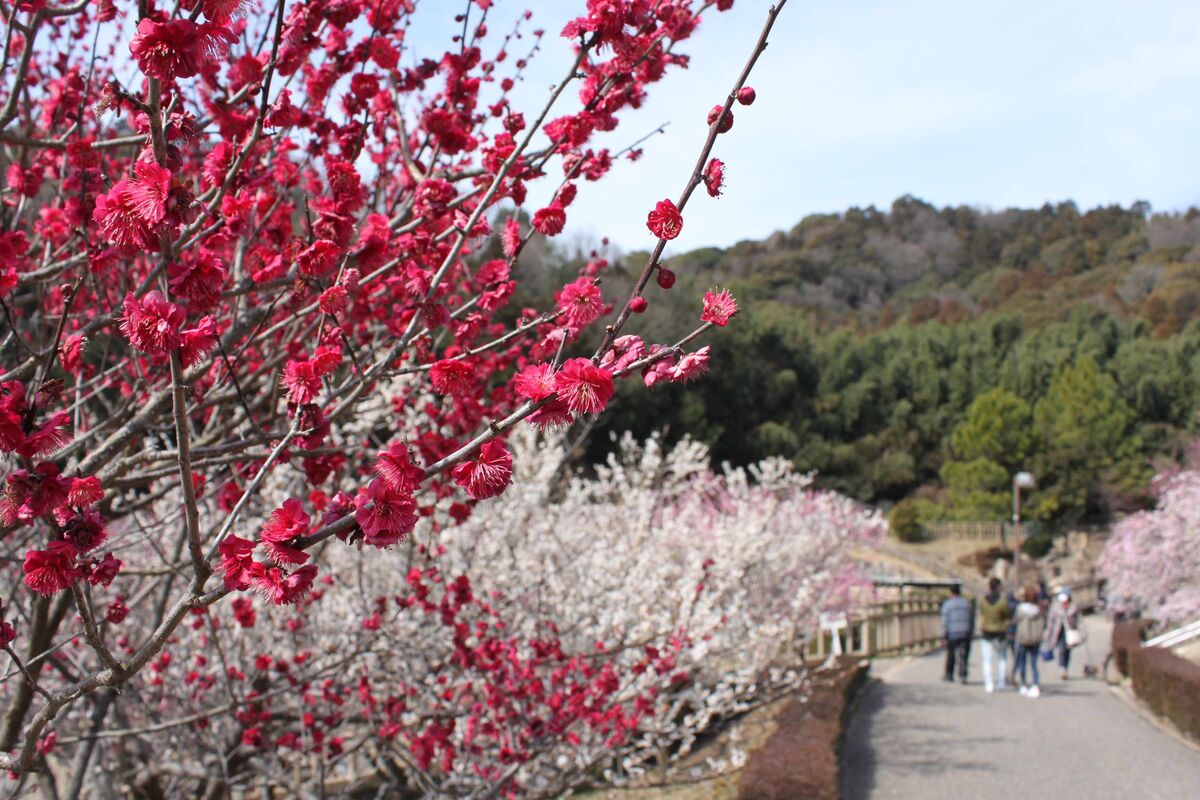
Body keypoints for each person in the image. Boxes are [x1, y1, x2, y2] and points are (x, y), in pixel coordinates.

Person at [978, 577, 1011, 692]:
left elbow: (981, 613)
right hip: (1000, 633)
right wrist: (1005, 626)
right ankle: (1001, 682)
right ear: (998, 587)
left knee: (987, 659)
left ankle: (989, 683)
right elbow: (1007, 616)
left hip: (986, 632)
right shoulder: (1002, 601)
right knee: (1002, 658)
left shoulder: (983, 600)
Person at [1043, 588, 1083, 680]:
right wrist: (1048, 632)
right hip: (1058, 632)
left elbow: (1079, 620)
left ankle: (1065, 668)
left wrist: (1081, 631)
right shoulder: (1056, 607)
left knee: (1068, 651)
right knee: (1062, 649)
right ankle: (1063, 669)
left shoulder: (1073, 607)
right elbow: (1051, 620)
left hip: (1070, 632)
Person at [1013, 587, 1045, 697]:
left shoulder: (1020, 609)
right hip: (1035, 639)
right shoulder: (1039, 610)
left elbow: (1015, 620)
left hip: (1023, 637)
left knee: (1022, 662)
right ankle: (1035, 684)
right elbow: (1042, 624)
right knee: (1034, 663)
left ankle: (1023, 684)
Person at [941, 583, 973, 684]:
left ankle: (949, 674)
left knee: (951, 654)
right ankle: (963, 675)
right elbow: (971, 619)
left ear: (950, 592)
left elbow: (944, 622)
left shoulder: (947, 604)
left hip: (952, 632)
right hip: (965, 631)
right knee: (964, 655)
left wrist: (943, 636)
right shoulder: (967, 603)